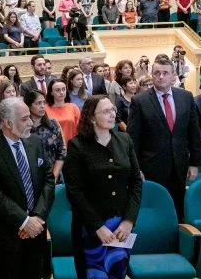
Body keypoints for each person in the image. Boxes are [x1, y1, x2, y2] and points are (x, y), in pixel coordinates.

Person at [0, 97, 55, 279]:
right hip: (4, 237)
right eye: (24, 119)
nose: (31, 123)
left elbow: (48, 181)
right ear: (8, 123)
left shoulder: (35, 142)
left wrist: (37, 218)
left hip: (36, 232)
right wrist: (24, 221)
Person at [63, 96, 142, 279]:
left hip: (120, 226)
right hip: (90, 226)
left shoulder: (124, 140)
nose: (112, 114)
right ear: (92, 117)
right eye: (106, 111)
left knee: (118, 272)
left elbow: (136, 183)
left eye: (113, 110)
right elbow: (74, 191)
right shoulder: (77, 146)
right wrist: (97, 226)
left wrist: (129, 221)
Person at [127, 57, 200, 220]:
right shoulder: (139, 101)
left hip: (180, 165)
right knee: (156, 212)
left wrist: (194, 163)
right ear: (152, 75)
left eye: (165, 73)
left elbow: (194, 132)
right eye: (157, 73)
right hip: (151, 167)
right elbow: (133, 139)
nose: (161, 77)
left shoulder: (186, 97)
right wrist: (136, 169)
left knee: (178, 210)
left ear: (173, 75)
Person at [24, 89, 65, 182]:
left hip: (55, 175)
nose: (42, 106)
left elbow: (62, 151)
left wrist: (54, 177)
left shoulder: (53, 124)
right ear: (29, 106)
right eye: (38, 103)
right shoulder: (24, 129)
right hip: (32, 178)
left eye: (44, 102)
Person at [45, 79, 81, 144]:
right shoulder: (45, 109)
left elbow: (79, 128)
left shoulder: (73, 107)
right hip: (53, 145)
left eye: (63, 89)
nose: (61, 92)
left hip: (72, 144)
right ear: (51, 92)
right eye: (57, 90)